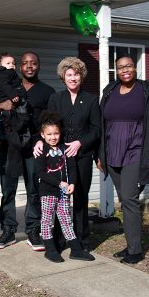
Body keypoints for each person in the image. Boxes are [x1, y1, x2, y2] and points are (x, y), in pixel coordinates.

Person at [97, 55, 149, 264]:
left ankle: (135, 250)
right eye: (119, 67)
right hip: (111, 153)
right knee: (126, 200)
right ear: (116, 71)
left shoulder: (147, 92)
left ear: (135, 68)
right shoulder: (109, 91)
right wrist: (100, 155)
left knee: (129, 199)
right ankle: (131, 244)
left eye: (128, 66)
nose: (124, 70)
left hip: (135, 151)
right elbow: (101, 125)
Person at [0, 51, 55, 251]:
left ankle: (33, 229)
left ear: (38, 66)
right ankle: (8, 230)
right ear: (19, 67)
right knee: (7, 189)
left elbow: (49, 122)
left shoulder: (47, 91)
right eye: (25, 63)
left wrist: (44, 143)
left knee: (33, 190)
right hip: (9, 145)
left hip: (34, 147)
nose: (29, 66)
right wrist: (3, 105)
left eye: (33, 63)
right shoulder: (9, 84)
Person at [34, 57, 100, 250]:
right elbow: (47, 124)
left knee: (80, 196)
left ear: (82, 76)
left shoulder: (91, 99)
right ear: (63, 77)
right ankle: (60, 239)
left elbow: (96, 129)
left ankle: (81, 240)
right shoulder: (56, 98)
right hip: (58, 157)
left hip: (82, 156)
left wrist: (80, 142)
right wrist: (39, 140)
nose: (73, 78)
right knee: (59, 197)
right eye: (69, 74)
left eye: (76, 74)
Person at [35, 111, 95, 263]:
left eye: (56, 133)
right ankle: (50, 250)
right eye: (49, 134)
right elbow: (40, 173)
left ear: (60, 133)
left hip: (63, 193)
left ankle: (76, 250)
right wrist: (57, 183)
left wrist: (73, 183)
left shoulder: (64, 148)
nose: (53, 137)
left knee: (66, 220)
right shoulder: (42, 151)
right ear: (42, 135)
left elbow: (72, 167)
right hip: (48, 192)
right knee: (47, 221)